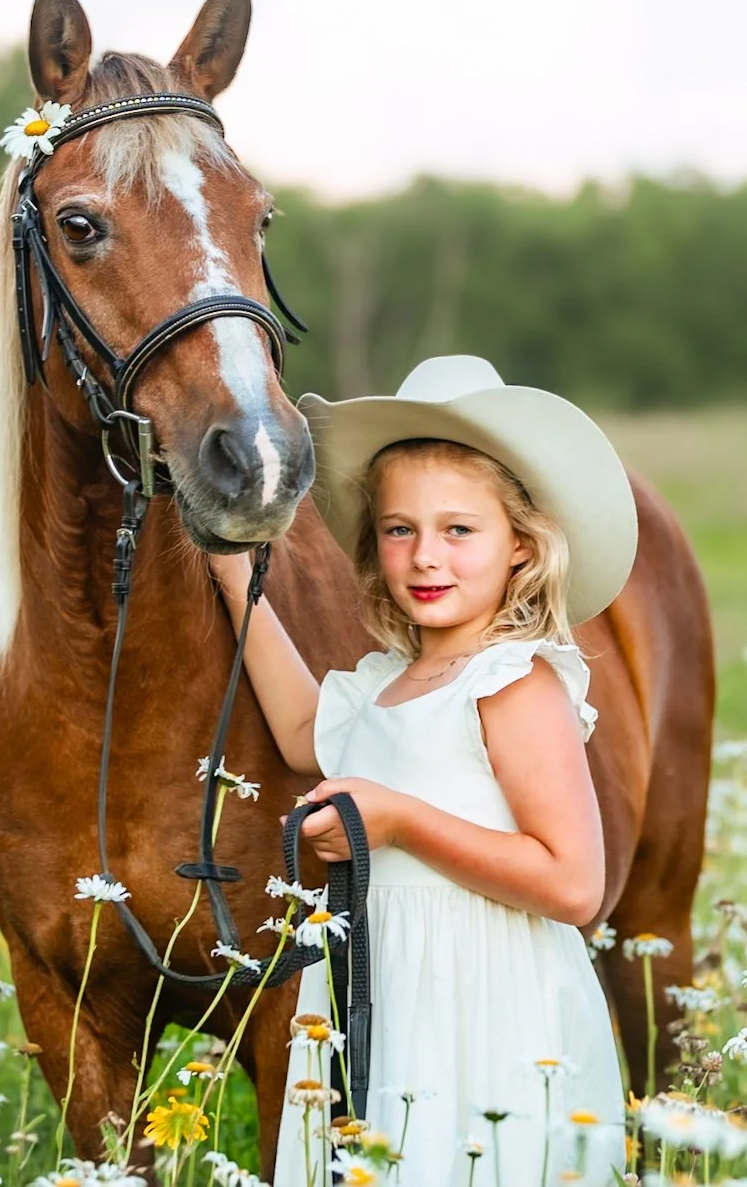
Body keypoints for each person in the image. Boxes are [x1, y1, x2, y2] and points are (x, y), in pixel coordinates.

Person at [202, 354, 638, 1187]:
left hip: (485, 1009)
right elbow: (301, 730)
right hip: (383, 995)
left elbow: (575, 881)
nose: (425, 557)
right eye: (400, 529)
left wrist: (399, 820)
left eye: (459, 530)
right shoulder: (386, 679)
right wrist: (231, 570)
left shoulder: (515, 682)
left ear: (520, 546)